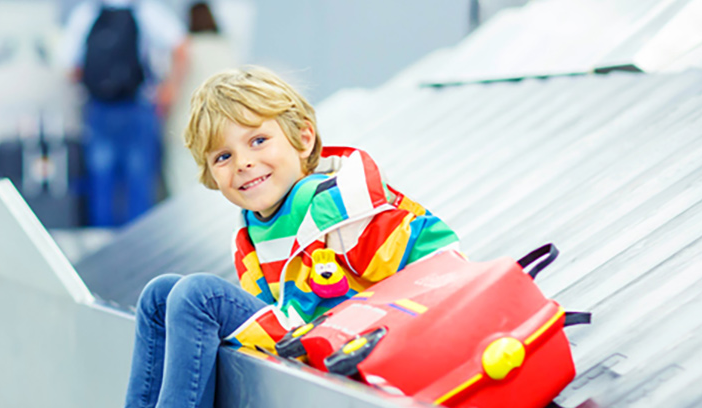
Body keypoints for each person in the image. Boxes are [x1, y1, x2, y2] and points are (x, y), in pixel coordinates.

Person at [124, 67, 461, 407]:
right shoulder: (251, 231)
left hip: (345, 342)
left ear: (303, 139)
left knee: (199, 295)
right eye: (223, 157)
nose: (243, 163)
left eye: (258, 141)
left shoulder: (341, 211)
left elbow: (440, 258)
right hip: (296, 334)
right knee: (159, 296)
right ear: (211, 175)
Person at [58, 0, 188, 227]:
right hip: (138, 105)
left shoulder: (87, 12)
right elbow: (182, 46)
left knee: (101, 182)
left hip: (99, 108)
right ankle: (139, 244)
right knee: (139, 181)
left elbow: (69, 65)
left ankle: (100, 243)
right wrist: (169, 88)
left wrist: (99, 82)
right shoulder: (146, 9)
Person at [161, 1, 238, 197]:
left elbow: (170, 90)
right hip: (220, 124)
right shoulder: (224, 46)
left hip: (186, 123)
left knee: (183, 180)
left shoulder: (186, 47)